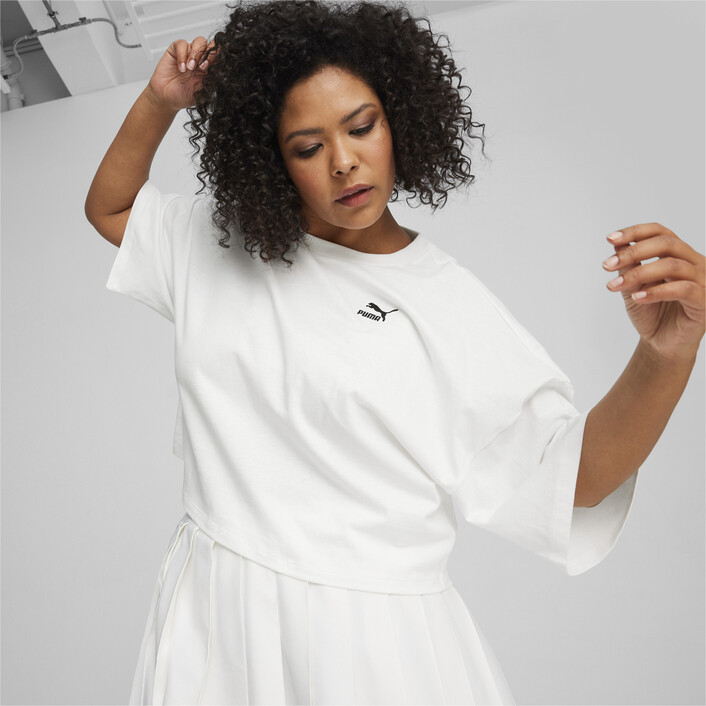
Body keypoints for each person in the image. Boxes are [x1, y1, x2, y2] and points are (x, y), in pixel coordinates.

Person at [84, 1, 705, 703]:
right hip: (214, 614)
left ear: (399, 119)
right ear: (271, 159)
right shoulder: (217, 245)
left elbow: (577, 478)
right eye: (307, 147)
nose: (344, 161)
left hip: (367, 643)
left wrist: (668, 355)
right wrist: (159, 102)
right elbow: (111, 208)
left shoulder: (446, 303)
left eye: (361, 127)